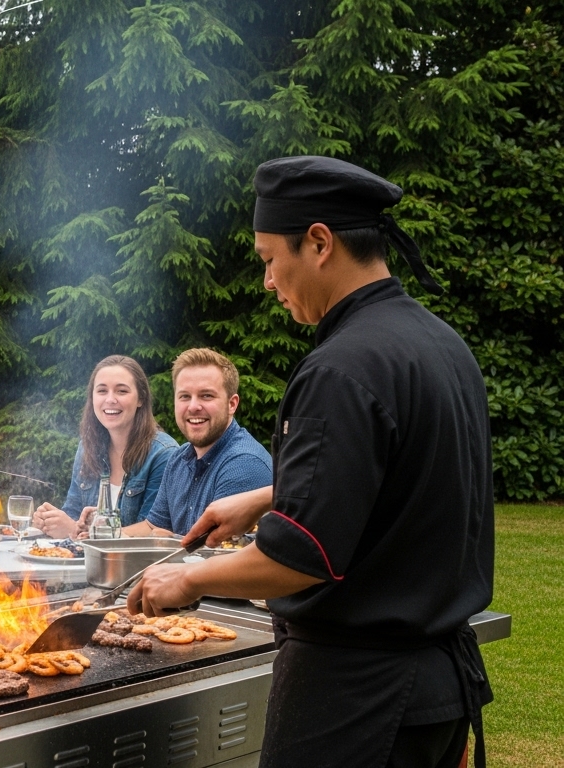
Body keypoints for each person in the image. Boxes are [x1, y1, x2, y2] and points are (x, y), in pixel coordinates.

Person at [129, 156, 493, 768]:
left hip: (355, 700)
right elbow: (406, 475)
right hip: (437, 693)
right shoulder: (438, 343)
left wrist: (185, 579)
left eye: (271, 259)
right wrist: (268, 497)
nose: (268, 280)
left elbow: (302, 557)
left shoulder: (340, 368)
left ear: (319, 242)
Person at [118, 348, 272, 537]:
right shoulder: (179, 459)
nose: (193, 406)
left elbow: (219, 554)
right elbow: (152, 528)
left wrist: (168, 540)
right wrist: (101, 540)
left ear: (232, 404)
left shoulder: (244, 464)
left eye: (206, 395)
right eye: (184, 396)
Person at [31, 355, 179, 539]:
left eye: (121, 391)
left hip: (139, 566)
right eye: (102, 391)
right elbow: (73, 511)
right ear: (92, 398)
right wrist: (51, 521)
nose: (110, 399)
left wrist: (77, 531)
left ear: (141, 399)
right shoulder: (88, 447)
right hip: (86, 563)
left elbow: (155, 528)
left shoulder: (163, 454)